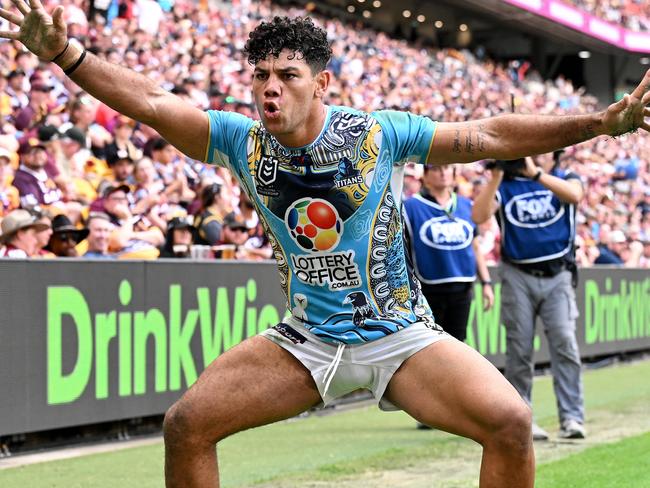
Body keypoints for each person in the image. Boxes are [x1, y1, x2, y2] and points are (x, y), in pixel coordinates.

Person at [3, 9, 648, 488]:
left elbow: (486, 133)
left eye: (287, 75)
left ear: (324, 85)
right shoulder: (239, 139)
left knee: (509, 421)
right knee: (187, 425)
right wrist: (67, 53)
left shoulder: (377, 135)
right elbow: (148, 100)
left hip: (400, 335)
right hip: (307, 341)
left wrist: (599, 121)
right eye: (260, 76)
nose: (269, 89)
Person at [472, 154, 586, 441]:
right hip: (517, 273)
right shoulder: (505, 183)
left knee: (565, 343)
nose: (536, 154)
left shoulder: (565, 176)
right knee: (519, 348)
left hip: (558, 273)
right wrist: (497, 175)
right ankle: (523, 419)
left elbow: (575, 195)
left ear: (555, 154)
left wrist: (536, 175)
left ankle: (572, 417)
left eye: (544, 150)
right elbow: (478, 216)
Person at [404, 164, 494, 343]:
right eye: (437, 168)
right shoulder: (410, 206)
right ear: (426, 175)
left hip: (462, 287)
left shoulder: (466, 204)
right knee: (431, 344)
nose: (443, 172)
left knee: (459, 341)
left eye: (447, 168)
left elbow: (475, 245)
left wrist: (486, 282)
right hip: (428, 289)